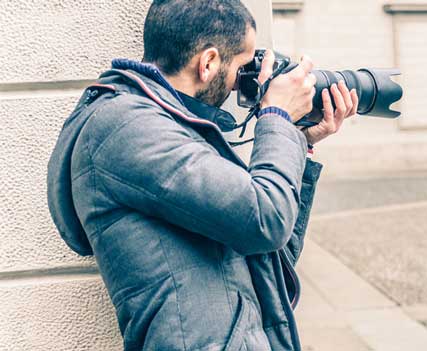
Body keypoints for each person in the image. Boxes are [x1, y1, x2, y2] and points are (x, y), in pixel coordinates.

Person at [45, 1, 357, 349]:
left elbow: (271, 257)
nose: (243, 84)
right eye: (242, 67)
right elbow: (266, 219)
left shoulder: (173, 126)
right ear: (208, 62)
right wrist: (276, 116)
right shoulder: (129, 128)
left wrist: (300, 141)